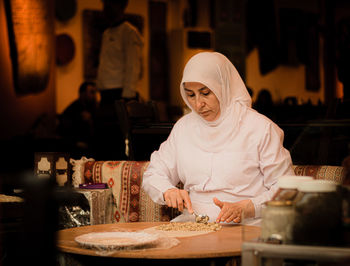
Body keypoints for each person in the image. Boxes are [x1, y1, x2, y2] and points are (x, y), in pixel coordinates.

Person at [142, 52, 295, 226]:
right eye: (191, 95)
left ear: (224, 87)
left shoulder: (260, 128)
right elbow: (153, 173)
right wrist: (167, 190)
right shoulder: (183, 128)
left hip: (246, 226)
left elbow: (287, 189)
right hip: (193, 225)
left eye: (205, 93)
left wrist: (248, 207)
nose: (198, 104)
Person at [96, 0, 143, 105]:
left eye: (109, 4)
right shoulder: (106, 33)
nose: (106, 8)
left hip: (119, 94)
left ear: (121, 6)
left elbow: (133, 66)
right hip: (105, 93)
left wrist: (128, 97)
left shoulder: (129, 32)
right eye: (104, 5)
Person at [58, 81, 98, 147]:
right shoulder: (72, 109)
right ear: (83, 93)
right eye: (91, 92)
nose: (94, 96)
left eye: (95, 92)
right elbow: (64, 132)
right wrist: (76, 143)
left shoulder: (93, 108)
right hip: (75, 147)